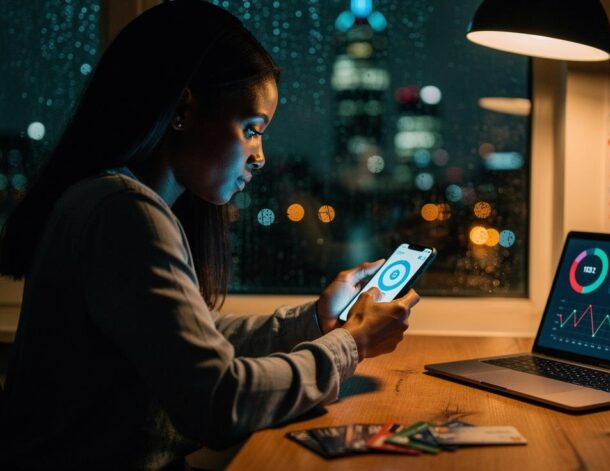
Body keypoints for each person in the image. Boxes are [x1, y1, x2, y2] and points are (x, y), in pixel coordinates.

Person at [0, 1, 419, 469]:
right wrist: (353, 344)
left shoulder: (110, 200)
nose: (260, 156)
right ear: (183, 109)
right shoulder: (123, 211)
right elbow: (219, 401)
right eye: (252, 129)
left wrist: (315, 320)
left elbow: (193, 344)